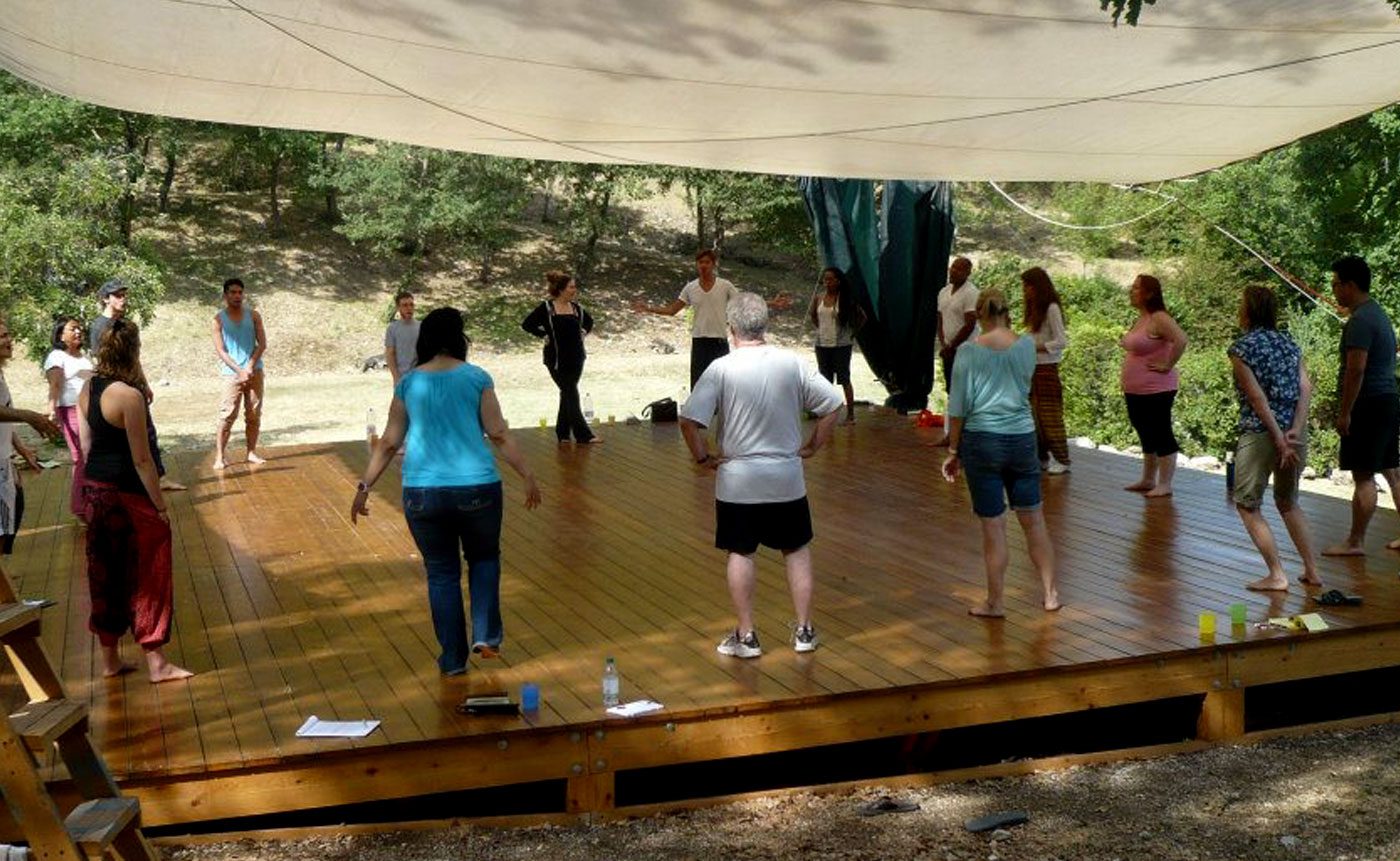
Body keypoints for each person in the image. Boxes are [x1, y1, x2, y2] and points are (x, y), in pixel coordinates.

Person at [351, 308, 541, 675]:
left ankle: (453, 660)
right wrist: (527, 474)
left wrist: (364, 486)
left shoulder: (409, 383)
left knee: (441, 574)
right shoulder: (476, 378)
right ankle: (485, 635)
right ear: (460, 338)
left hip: (423, 493)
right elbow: (498, 432)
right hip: (478, 488)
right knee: (484, 559)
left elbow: (390, 442)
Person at [679, 292, 843, 658]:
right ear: (765, 325)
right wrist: (814, 445)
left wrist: (703, 458)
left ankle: (747, 635)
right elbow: (833, 404)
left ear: (730, 328)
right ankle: (804, 630)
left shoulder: (722, 368)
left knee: (741, 551)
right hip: (786, 475)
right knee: (796, 549)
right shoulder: (791, 363)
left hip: (738, 480)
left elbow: (690, 422)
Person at [76, 318, 192, 682]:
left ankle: (109, 660)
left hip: (96, 490)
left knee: (104, 572)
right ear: (134, 351)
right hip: (127, 495)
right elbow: (142, 460)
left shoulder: (88, 388)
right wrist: (159, 506)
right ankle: (157, 663)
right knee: (149, 573)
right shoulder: (129, 396)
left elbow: (86, 446)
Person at [942, 290, 1061, 618]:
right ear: (1008, 312)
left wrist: (954, 449)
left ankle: (995, 602)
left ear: (979, 314)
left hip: (983, 442)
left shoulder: (968, 351)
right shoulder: (1025, 346)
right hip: (1023, 439)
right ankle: (1050, 594)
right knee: (1034, 521)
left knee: (993, 527)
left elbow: (959, 406)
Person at [1227, 286, 1320, 590]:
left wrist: (1279, 438)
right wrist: (1295, 429)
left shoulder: (1242, 348)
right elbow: (1306, 389)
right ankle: (1312, 570)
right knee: (1288, 501)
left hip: (1262, 433)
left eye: (1240, 305)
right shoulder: (1290, 345)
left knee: (1247, 504)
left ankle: (1277, 575)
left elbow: (1256, 398)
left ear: (1248, 311)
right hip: (1295, 431)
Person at [1323, 255, 1400, 556]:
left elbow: (1356, 369)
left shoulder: (1360, 322)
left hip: (1368, 405)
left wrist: (1345, 412)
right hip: (1389, 399)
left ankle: (1354, 542)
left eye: (1336, 285)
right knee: (1393, 472)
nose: (1334, 291)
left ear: (1350, 285)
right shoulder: (1379, 314)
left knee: (1363, 475)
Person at [633, 249, 791, 388]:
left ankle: (723, 417)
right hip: (700, 341)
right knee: (698, 384)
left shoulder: (724, 285)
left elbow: (743, 302)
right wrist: (648, 308)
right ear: (696, 264)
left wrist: (771, 303)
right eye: (700, 262)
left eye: (707, 262)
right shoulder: (690, 288)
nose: (703, 266)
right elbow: (672, 310)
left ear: (713, 264)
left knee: (723, 383)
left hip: (719, 341)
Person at [90, 279, 184, 492]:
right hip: (117, 389)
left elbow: (134, 358)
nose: (123, 299)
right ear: (106, 299)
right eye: (118, 295)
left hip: (134, 385)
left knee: (148, 431)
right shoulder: (99, 327)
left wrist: (144, 383)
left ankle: (158, 477)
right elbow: (100, 361)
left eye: (124, 295)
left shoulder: (125, 325)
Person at [1120, 274, 1187, 497]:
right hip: (1135, 388)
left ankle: (1165, 483)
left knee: (1160, 431)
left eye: (1137, 288)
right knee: (1144, 431)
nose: (1132, 290)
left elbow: (1181, 339)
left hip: (1156, 388)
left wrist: (1168, 364)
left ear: (1149, 293)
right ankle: (1148, 479)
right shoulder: (1142, 318)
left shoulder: (1159, 317)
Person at [522, 270, 599, 444]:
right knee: (571, 393)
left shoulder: (576, 308)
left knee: (567, 394)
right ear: (562, 289)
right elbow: (527, 324)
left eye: (574, 287)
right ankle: (583, 435)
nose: (574, 290)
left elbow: (589, 321)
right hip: (556, 360)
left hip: (577, 358)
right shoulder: (547, 308)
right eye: (571, 287)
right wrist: (543, 335)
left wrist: (584, 331)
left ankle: (563, 433)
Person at [0, 319, 53, 554]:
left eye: (8, 334)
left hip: (4, 463)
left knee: (8, 532)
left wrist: (21, 450)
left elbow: (5, 414)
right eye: (2, 336)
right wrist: (28, 416)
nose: (8, 341)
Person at [212, 277, 267, 470]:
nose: (237, 296)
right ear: (225, 295)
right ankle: (220, 456)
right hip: (231, 374)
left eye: (240, 292)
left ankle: (251, 452)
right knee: (227, 415)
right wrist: (238, 370)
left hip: (255, 372)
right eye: (233, 292)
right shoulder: (219, 319)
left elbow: (262, 344)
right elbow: (221, 350)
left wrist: (250, 366)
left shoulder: (253, 316)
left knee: (253, 415)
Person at [1022, 267, 1071, 475]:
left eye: (1028, 286)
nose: (1025, 290)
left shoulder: (1051, 308)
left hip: (1047, 368)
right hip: (1032, 368)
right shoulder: (1035, 309)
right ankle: (1041, 457)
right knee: (1034, 416)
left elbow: (1061, 341)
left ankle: (1062, 457)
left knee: (1050, 415)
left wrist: (1034, 347)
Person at [45, 317, 94, 520]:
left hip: (89, 410)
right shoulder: (56, 357)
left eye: (79, 328)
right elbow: (54, 386)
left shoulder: (83, 357)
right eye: (73, 329)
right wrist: (51, 413)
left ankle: (90, 503)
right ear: (60, 334)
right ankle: (81, 507)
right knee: (82, 458)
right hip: (71, 411)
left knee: (87, 458)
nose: (78, 332)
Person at [807, 267, 866, 424]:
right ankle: (826, 411)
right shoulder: (819, 298)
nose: (827, 283)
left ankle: (850, 415)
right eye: (825, 279)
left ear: (838, 281)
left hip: (841, 344)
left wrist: (852, 333)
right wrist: (820, 329)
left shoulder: (846, 299)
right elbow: (814, 315)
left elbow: (862, 317)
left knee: (844, 378)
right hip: (822, 344)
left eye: (830, 279)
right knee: (825, 379)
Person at [936, 257, 979, 398]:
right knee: (951, 389)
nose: (953, 271)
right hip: (948, 349)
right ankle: (954, 418)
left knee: (965, 390)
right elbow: (940, 318)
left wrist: (952, 346)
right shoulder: (944, 291)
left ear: (967, 273)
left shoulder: (971, 293)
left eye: (959, 269)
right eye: (952, 267)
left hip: (965, 350)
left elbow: (970, 324)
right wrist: (944, 344)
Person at [384, 290, 420, 387]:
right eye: (405, 305)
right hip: (401, 377)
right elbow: (390, 354)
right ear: (398, 307)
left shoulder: (422, 327)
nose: (409, 308)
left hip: (419, 377)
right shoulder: (392, 328)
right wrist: (396, 377)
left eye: (411, 305)